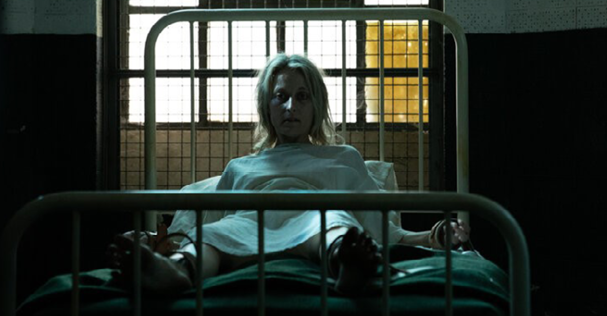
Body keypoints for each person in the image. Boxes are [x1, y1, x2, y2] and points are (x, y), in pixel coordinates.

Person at [105, 53, 473, 296]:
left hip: (316, 219)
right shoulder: (240, 167)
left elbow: (382, 230)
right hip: (248, 224)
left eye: (302, 96)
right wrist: (154, 241)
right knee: (211, 237)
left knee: (338, 226)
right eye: (280, 97)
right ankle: (176, 271)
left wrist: (433, 235)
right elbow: (205, 221)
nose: (290, 106)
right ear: (267, 107)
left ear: (317, 106)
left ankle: (348, 265)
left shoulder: (344, 158)